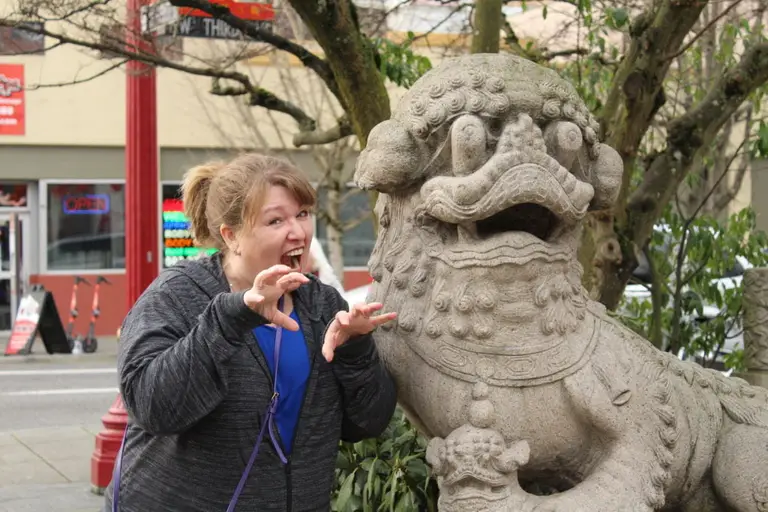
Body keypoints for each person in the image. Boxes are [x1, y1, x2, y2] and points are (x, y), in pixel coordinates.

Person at [104, 153, 398, 512]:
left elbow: (368, 423)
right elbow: (152, 407)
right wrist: (230, 320)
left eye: (303, 214)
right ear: (232, 236)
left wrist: (356, 348)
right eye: (276, 220)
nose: (299, 232)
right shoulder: (178, 295)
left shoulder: (321, 304)